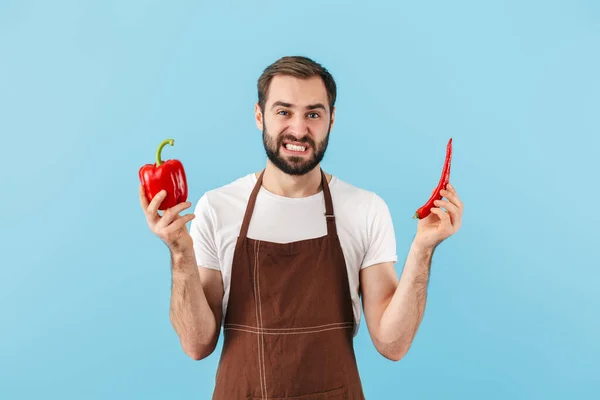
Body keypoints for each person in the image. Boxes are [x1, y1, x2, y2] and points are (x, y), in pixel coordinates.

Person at [139, 55, 464, 399]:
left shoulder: (365, 209)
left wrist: (423, 250)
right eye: (283, 112)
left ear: (332, 119)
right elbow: (196, 343)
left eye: (313, 113)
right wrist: (179, 252)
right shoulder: (218, 208)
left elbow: (392, 343)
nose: (298, 129)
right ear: (259, 116)